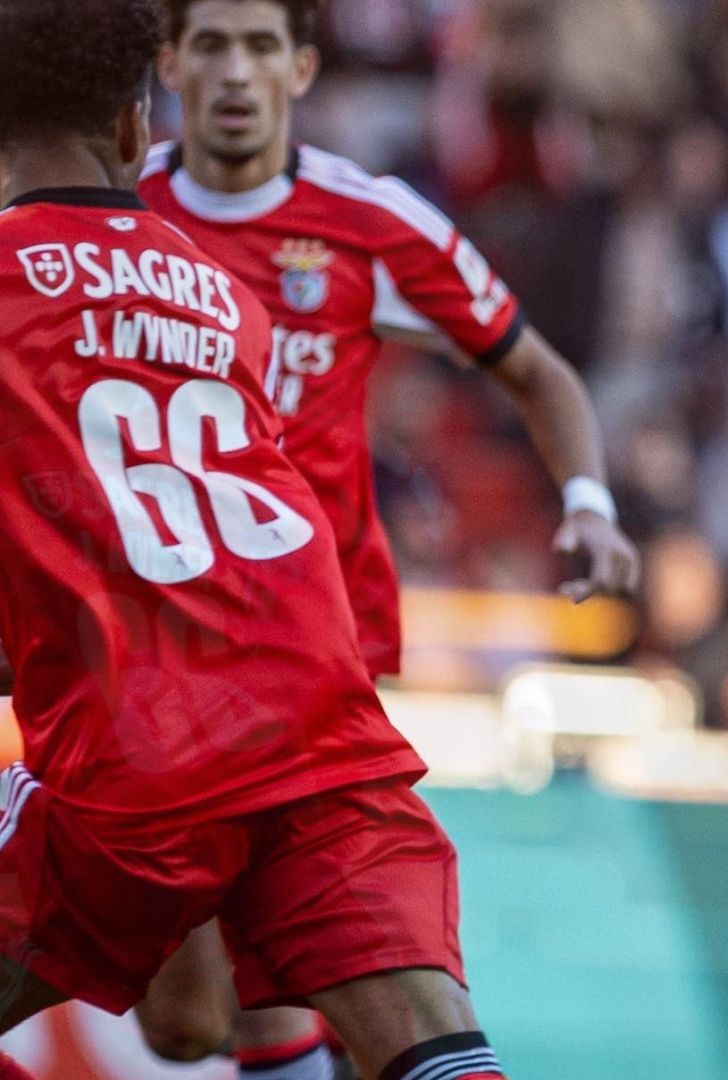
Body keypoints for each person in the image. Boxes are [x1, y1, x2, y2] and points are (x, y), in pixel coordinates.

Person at [0, 1, 510, 1079]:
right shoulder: (229, 302)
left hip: (142, 754)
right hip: (321, 733)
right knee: (418, 1033)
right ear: (141, 131)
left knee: (197, 1021)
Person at [134, 1, 641, 1074]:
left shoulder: (365, 221)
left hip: (317, 659)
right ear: (168, 61)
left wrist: (587, 502)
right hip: (160, 655)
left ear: (302, 66)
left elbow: (535, 370)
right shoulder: (115, 224)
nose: (235, 73)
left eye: (261, 46)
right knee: (182, 1024)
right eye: (212, 45)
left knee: (304, 982)